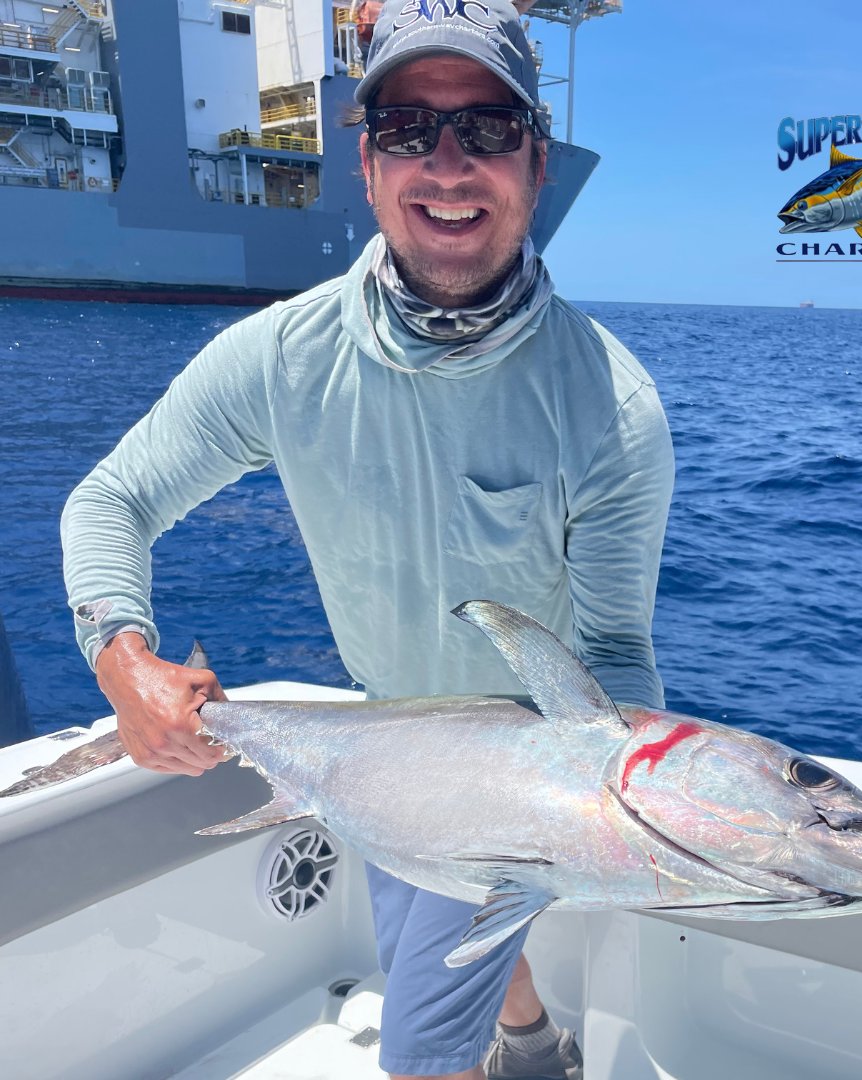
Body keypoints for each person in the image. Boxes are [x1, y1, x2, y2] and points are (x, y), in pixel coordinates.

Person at [61, 2, 674, 1078]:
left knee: (419, 1049)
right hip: (380, 734)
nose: (446, 165)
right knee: (428, 907)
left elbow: (617, 652)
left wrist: (629, 809)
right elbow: (111, 501)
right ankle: (533, 1046)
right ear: (365, 161)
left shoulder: (611, 407)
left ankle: (520, 1048)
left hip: (520, 766)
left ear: (537, 159)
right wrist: (123, 657)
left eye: (485, 129)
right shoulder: (279, 357)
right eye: (405, 129)